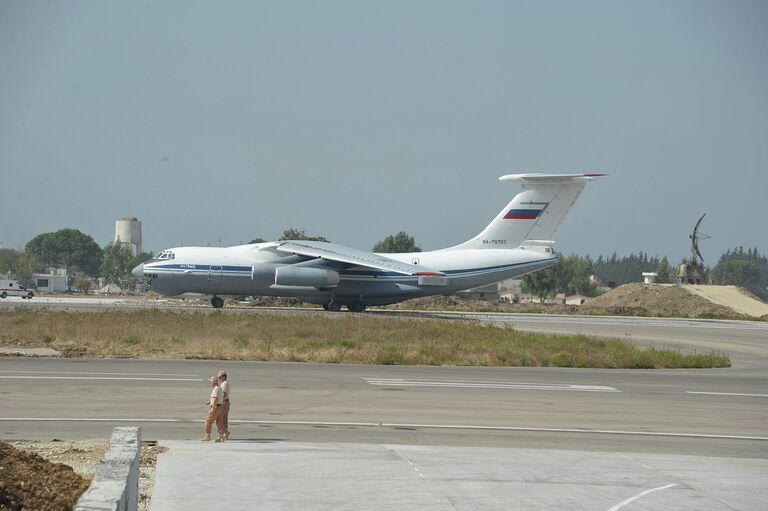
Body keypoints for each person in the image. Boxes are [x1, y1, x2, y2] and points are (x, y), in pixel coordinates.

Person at [199, 375, 225, 442]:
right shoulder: (219, 388)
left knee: (208, 421)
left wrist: (213, 407)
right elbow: (216, 398)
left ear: (214, 382)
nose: (210, 383)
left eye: (211, 381)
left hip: (216, 407)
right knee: (219, 421)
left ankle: (207, 436)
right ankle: (221, 437)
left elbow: (215, 398)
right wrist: (210, 402)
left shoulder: (216, 389)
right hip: (220, 407)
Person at [217, 370, 231, 440]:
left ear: (224, 376)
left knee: (220, 419)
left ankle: (223, 433)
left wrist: (221, 403)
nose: (219, 379)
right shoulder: (224, 383)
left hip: (224, 402)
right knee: (224, 419)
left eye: (220, 377)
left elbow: (223, 394)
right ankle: (224, 435)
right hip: (226, 402)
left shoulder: (224, 383)